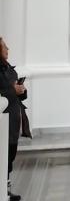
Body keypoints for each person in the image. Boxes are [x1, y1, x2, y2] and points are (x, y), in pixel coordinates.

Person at [0, 37, 30, 201]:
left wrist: (22, 90)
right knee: (3, 153)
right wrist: (13, 90)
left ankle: (6, 186)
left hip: (14, 117)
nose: (8, 49)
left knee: (11, 152)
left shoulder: (9, 69)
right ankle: (3, 188)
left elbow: (20, 95)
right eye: (4, 46)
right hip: (4, 118)